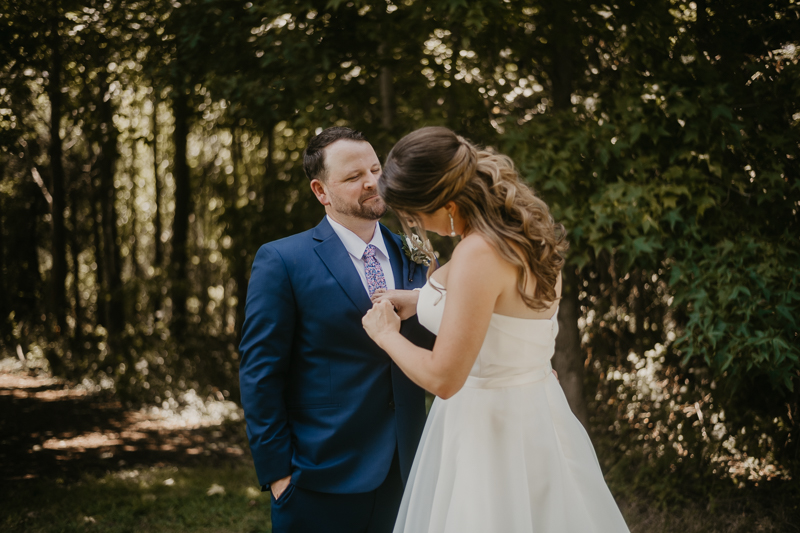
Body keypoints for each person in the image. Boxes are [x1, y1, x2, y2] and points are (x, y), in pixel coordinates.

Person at [362, 126, 630, 532]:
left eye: (414, 213)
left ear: (444, 202)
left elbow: (444, 377)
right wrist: (419, 300)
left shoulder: (477, 253)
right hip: (535, 411)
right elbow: (503, 312)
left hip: (490, 430)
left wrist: (386, 336)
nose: (414, 224)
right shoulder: (516, 230)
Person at [239, 126, 435, 533]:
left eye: (376, 168)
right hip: (319, 475)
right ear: (320, 191)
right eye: (352, 176)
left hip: (409, 471)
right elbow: (260, 373)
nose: (371, 182)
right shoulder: (282, 261)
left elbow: (440, 340)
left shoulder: (415, 252)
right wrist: (279, 476)